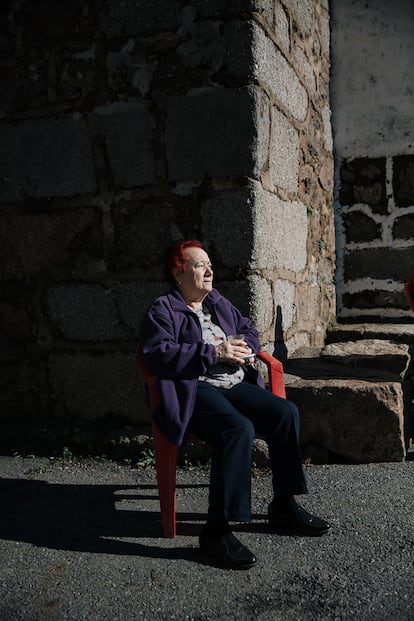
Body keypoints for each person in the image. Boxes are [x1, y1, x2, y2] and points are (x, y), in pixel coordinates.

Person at [138, 240, 330, 569]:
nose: (209, 270)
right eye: (199, 265)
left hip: (233, 381)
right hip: (194, 388)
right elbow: (155, 355)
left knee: (285, 412)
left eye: (209, 264)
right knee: (237, 428)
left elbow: (247, 328)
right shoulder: (163, 310)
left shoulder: (216, 301)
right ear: (178, 272)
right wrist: (212, 353)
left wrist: (246, 348)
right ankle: (216, 531)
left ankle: (283, 504)